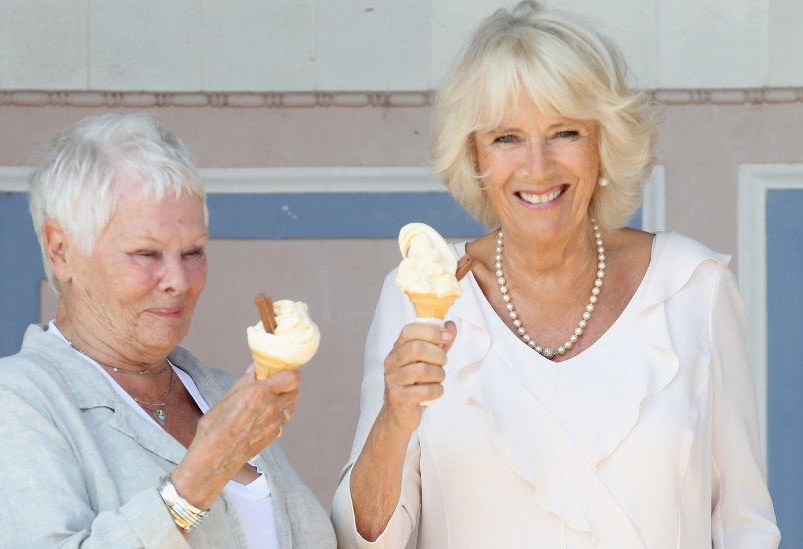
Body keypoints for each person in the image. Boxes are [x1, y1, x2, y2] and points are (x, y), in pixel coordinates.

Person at [331, 2, 780, 548]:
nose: (537, 167)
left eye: (564, 132)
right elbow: (364, 540)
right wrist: (394, 420)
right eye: (506, 138)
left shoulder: (692, 289)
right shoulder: (423, 293)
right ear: (473, 153)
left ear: (603, 142)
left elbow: (745, 525)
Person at [0, 112, 337, 548]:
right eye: (146, 254)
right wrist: (202, 471)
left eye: (193, 251)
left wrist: (395, 419)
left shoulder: (220, 392)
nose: (179, 279)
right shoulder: (19, 399)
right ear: (60, 250)